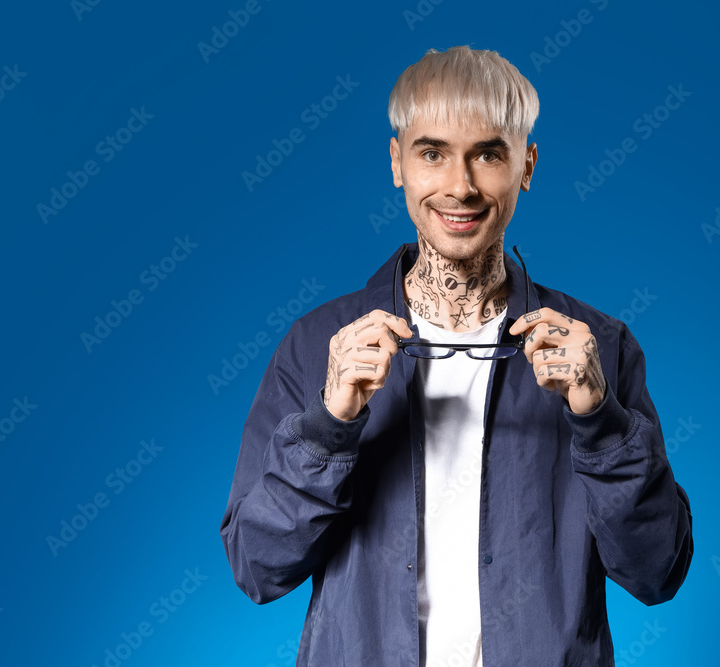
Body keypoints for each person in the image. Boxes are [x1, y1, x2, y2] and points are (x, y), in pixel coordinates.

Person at [220, 45, 693, 666]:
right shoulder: (319, 346)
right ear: (398, 163)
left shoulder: (596, 348)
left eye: (489, 154)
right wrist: (327, 429)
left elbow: (656, 572)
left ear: (526, 164)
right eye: (433, 152)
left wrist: (601, 420)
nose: (460, 187)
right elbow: (258, 568)